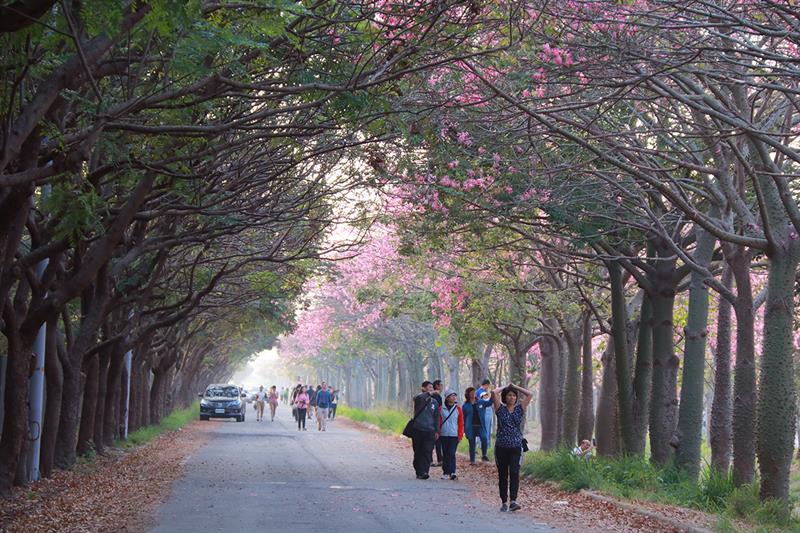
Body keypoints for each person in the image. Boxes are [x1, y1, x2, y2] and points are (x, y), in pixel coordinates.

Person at [492, 382, 532, 512]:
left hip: (516, 446)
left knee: (514, 473)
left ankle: (513, 501)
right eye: (509, 395)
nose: (512, 397)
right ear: (505, 397)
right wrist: (505, 387)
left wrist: (515, 387)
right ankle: (504, 501)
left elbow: (530, 394)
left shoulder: (520, 409)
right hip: (501, 447)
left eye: (514, 396)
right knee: (502, 475)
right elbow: (493, 393)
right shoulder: (500, 409)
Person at [411, 381, 439, 480]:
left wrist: (437, 431)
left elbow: (436, 417)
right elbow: (420, 398)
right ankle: (418, 471)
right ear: (423, 388)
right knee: (418, 451)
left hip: (430, 430)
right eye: (429, 387)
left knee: (428, 451)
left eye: (432, 388)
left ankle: (424, 471)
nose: (431, 389)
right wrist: (429, 393)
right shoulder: (419, 398)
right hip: (418, 429)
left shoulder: (434, 402)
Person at [439, 389, 464, 480]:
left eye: (454, 396)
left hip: (454, 435)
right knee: (445, 453)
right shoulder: (441, 409)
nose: (453, 397)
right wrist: (437, 433)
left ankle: (452, 472)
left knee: (451, 453)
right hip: (444, 434)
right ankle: (445, 472)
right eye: (451, 396)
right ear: (447, 398)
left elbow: (461, 423)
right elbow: (439, 421)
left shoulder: (458, 409)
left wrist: (460, 435)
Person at [462, 387, 482, 465]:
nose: (473, 394)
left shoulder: (479, 402)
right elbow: (463, 418)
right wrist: (463, 429)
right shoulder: (465, 405)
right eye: (471, 392)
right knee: (472, 443)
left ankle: (484, 455)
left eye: (474, 392)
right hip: (470, 427)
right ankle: (472, 461)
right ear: (468, 394)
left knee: (484, 438)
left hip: (480, 426)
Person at [477, 379, 493, 461]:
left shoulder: (480, 391)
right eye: (488, 386)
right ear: (486, 385)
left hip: (486, 413)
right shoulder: (482, 392)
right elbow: (487, 401)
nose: (488, 387)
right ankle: (484, 451)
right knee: (485, 431)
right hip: (485, 413)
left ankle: (483, 448)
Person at [431, 379, 444, 467]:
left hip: (433, 420)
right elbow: (438, 409)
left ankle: (436, 460)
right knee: (436, 441)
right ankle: (438, 460)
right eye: (441, 385)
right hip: (435, 420)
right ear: (437, 386)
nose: (442, 387)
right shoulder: (437, 396)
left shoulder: (434, 395)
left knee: (435, 441)